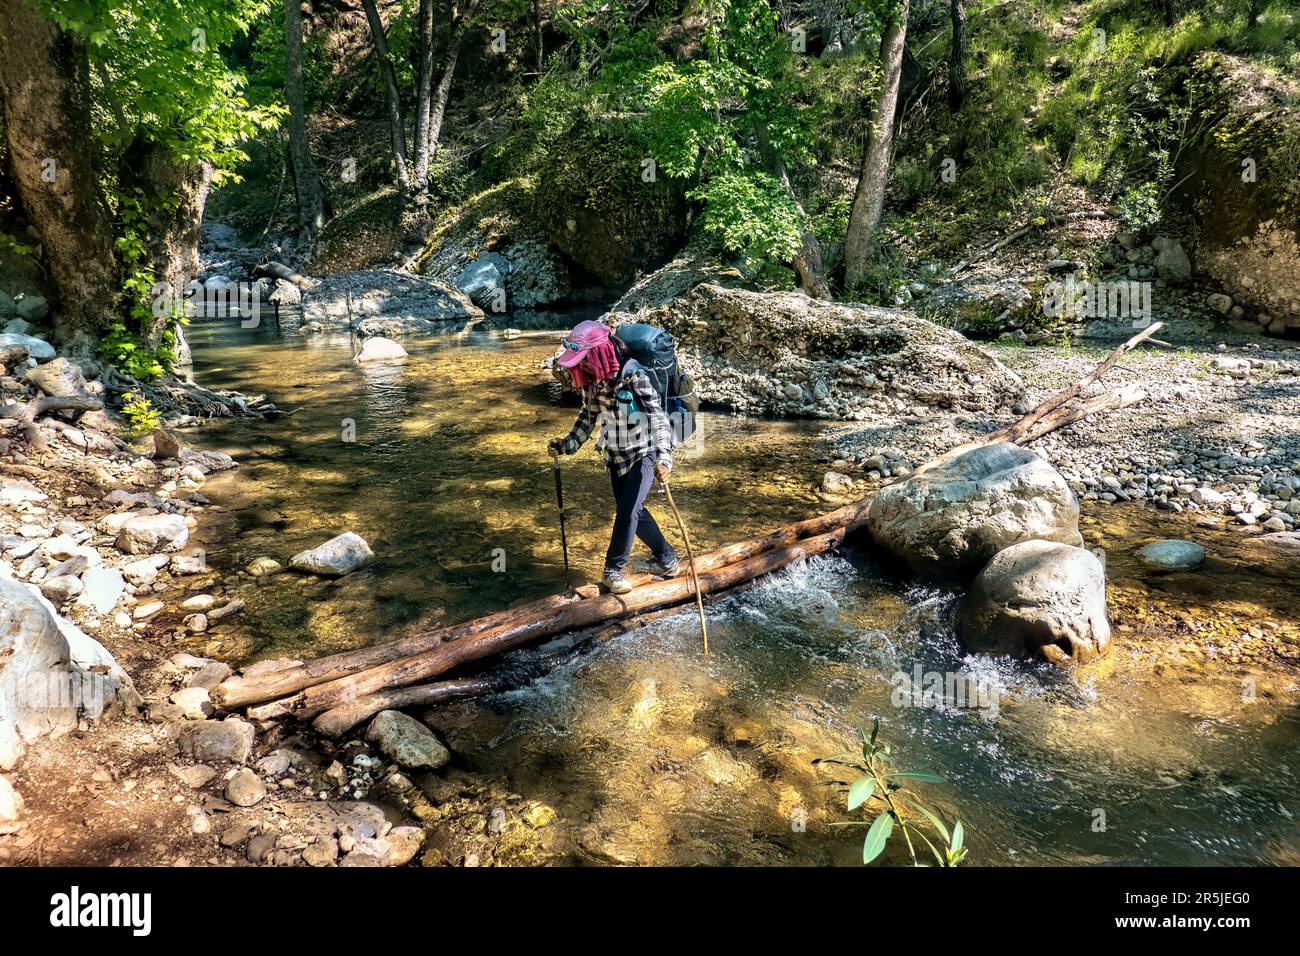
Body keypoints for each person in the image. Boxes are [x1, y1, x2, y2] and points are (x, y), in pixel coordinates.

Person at [548, 319, 680, 594]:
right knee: (633, 511)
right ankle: (667, 560)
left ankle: (613, 570)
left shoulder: (634, 374)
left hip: (644, 451)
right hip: (615, 454)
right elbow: (588, 416)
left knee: (627, 513)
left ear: (598, 354)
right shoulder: (593, 381)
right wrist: (567, 444)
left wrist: (664, 458)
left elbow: (657, 418)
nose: (581, 365)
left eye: (584, 360)